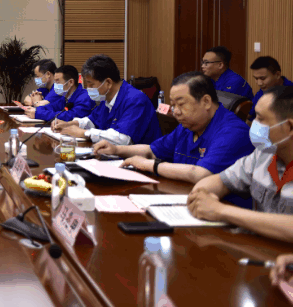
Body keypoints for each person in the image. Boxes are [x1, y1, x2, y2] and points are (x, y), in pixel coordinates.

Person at [95, 72, 254, 184]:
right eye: (173, 105)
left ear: (206, 101)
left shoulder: (233, 131)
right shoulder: (188, 126)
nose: (176, 111)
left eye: (181, 104)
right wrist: (116, 150)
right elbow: (152, 151)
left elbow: (201, 174)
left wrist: (151, 165)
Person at [188, 86, 293, 242]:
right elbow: (220, 180)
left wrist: (221, 211)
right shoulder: (263, 154)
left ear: (290, 127)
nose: (253, 124)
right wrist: (200, 196)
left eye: (260, 119)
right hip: (258, 247)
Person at [53, 54, 162, 146]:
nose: (88, 88)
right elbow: (92, 121)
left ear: (108, 83)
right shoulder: (106, 98)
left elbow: (123, 139)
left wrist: (84, 133)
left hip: (141, 160)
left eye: (91, 84)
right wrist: (70, 124)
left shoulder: (135, 100)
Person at [26, 65, 95, 122]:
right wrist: (36, 110)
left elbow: (70, 116)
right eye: (55, 82)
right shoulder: (66, 97)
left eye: (58, 82)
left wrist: (39, 114)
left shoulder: (85, 97)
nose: (55, 85)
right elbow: (52, 107)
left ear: (71, 82)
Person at [248, 56, 293, 124]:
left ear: (277, 75)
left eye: (263, 78)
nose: (259, 83)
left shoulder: (290, 93)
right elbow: (250, 113)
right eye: (256, 79)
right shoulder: (264, 89)